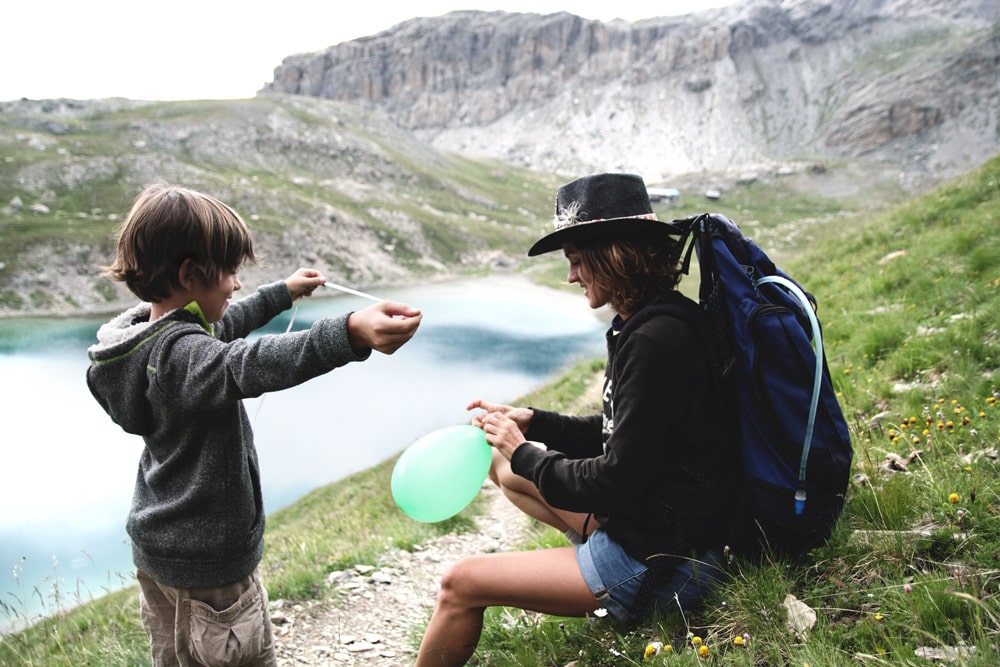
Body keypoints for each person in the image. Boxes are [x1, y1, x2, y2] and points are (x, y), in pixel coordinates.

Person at [86, 184, 422, 667]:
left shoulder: (147, 345)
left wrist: (282, 293)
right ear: (188, 274)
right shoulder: (185, 356)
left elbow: (225, 327)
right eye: (230, 272)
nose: (236, 284)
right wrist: (347, 332)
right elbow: (249, 362)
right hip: (211, 569)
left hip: (161, 552)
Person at [416, 173, 741, 666]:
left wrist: (524, 451)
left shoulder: (655, 340)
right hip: (662, 528)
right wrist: (534, 421)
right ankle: (592, 561)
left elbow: (612, 480)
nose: (570, 277)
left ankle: (614, 587)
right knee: (504, 470)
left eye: (574, 261)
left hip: (664, 562)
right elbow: (624, 432)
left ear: (612, 255)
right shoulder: (654, 319)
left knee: (459, 583)